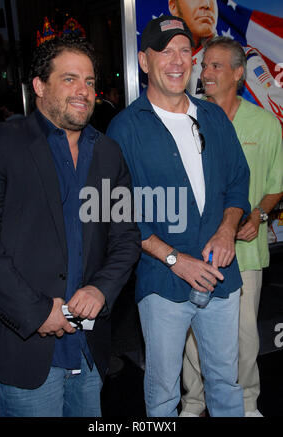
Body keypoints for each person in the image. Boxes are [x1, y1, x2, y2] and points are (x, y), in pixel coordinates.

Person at [0, 34, 141, 417]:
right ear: (39, 86)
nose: (83, 91)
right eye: (69, 79)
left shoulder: (106, 153)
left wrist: (102, 289)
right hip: (28, 352)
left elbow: (125, 237)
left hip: (88, 351)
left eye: (89, 82)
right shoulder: (1, 144)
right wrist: (37, 312)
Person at [107, 15, 250, 417]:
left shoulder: (214, 117)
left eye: (185, 51)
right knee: (163, 392)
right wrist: (174, 258)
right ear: (144, 61)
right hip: (162, 281)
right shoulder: (124, 129)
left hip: (221, 275)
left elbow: (239, 180)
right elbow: (120, 212)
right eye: (165, 51)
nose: (177, 60)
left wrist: (226, 230)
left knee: (225, 381)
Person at [180, 36, 283, 418]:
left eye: (215, 66)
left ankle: (245, 403)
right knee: (192, 333)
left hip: (245, 251)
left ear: (239, 74)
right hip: (194, 249)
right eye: (204, 65)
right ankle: (194, 401)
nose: (205, 72)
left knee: (243, 337)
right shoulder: (187, 117)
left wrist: (257, 215)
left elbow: (276, 182)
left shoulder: (265, 123)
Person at [168, 0, 283, 126]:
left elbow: (277, 124)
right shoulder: (166, 72)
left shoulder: (239, 59)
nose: (206, 4)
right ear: (173, 6)